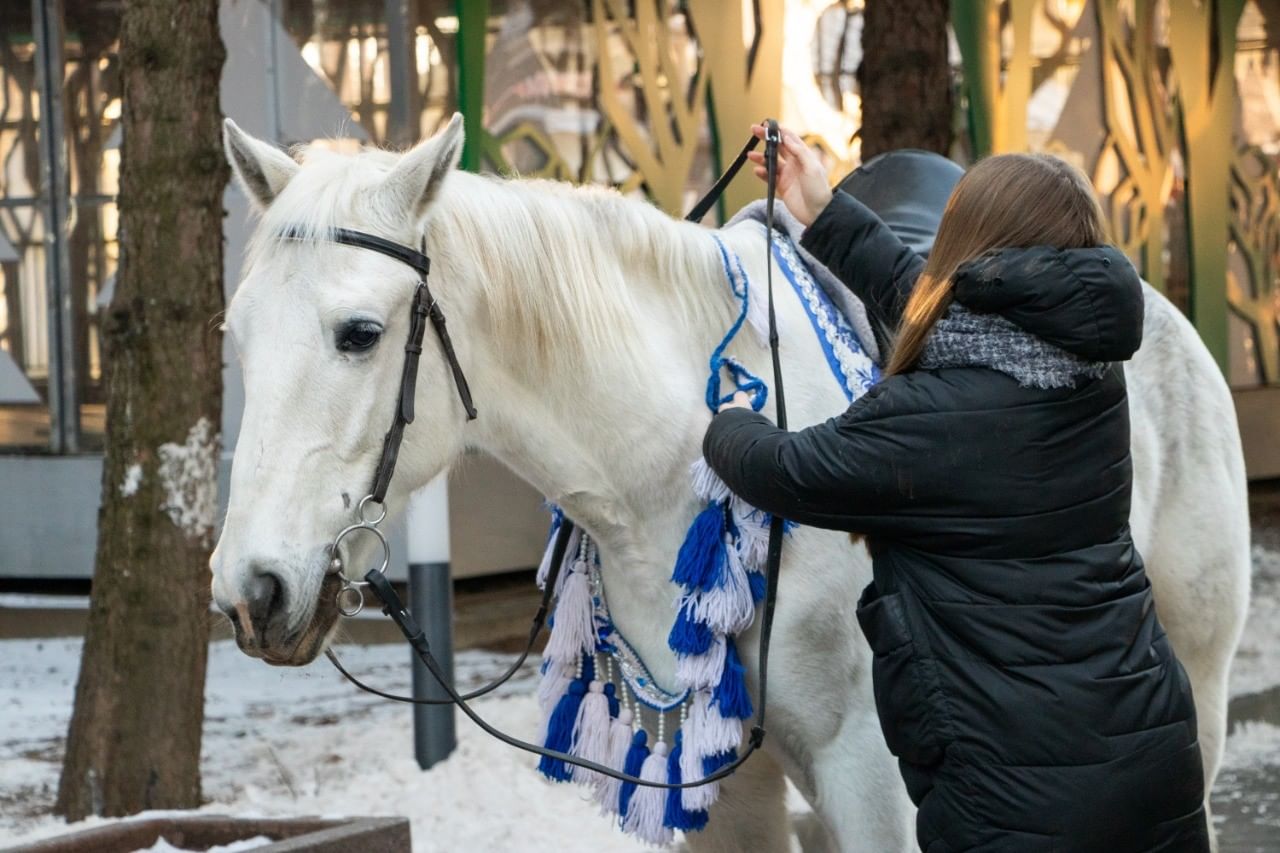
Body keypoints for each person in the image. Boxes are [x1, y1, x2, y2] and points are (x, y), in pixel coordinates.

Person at [703, 125, 1210, 852]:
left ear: (972, 250)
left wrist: (719, 419)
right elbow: (936, 309)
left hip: (1016, 805)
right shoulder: (1088, 370)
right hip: (1152, 757)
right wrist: (822, 207)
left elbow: (785, 469)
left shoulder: (930, 419)